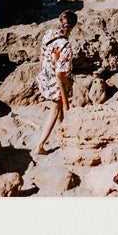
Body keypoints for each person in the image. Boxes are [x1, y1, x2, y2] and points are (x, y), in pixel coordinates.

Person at [35, 10, 75, 155]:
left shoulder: (49, 33)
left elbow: (42, 54)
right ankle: (40, 146)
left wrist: (41, 73)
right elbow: (60, 73)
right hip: (55, 81)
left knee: (58, 109)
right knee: (55, 109)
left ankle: (62, 133)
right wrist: (69, 84)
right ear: (73, 26)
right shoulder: (65, 46)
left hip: (44, 76)